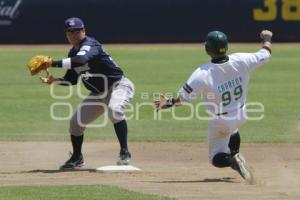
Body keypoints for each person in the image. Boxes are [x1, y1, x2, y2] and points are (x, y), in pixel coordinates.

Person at [155, 30, 272, 183]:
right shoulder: (242, 59)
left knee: (215, 158)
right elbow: (266, 53)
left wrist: (167, 103)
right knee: (233, 130)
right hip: (242, 114)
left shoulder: (202, 72)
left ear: (207, 49)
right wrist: (267, 38)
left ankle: (232, 161)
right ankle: (235, 154)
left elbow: (183, 99)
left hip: (221, 121)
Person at [40, 17, 135, 170]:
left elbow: (81, 59)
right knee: (75, 123)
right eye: (69, 32)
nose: (73, 34)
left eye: (76, 31)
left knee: (114, 110)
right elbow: (71, 80)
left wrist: (52, 63)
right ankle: (77, 157)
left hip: (119, 86)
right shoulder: (72, 52)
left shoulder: (91, 44)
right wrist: (54, 81)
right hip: (97, 93)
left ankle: (125, 152)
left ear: (84, 31)